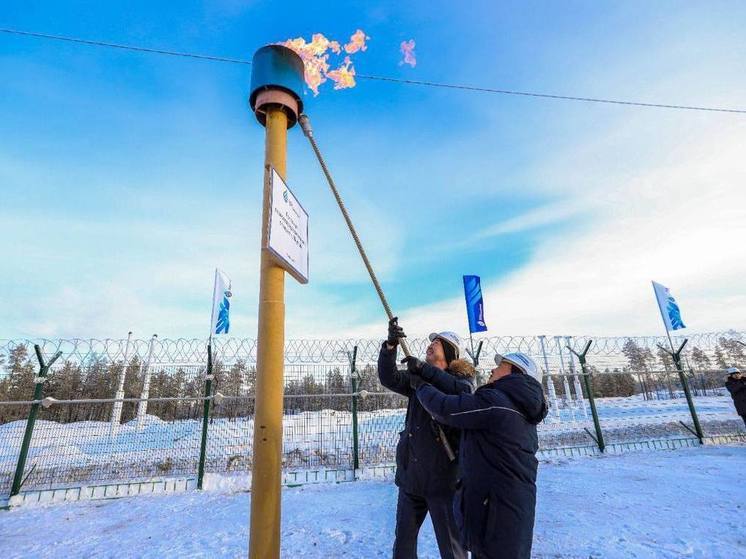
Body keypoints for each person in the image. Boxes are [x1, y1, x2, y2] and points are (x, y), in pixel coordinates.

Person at [412, 351, 548, 559]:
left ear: (516, 372)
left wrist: (421, 385)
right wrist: (425, 370)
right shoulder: (518, 407)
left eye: (501, 365)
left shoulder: (497, 401)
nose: (493, 369)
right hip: (506, 508)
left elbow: (446, 409)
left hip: (496, 512)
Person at [378, 317, 474, 559]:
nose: (431, 345)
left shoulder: (460, 383)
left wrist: (423, 370)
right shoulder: (417, 379)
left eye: (438, 343)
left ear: (450, 353)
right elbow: (388, 378)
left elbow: (461, 392)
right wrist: (390, 346)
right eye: (432, 342)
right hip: (411, 478)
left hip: (444, 483)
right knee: (403, 546)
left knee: (452, 548)